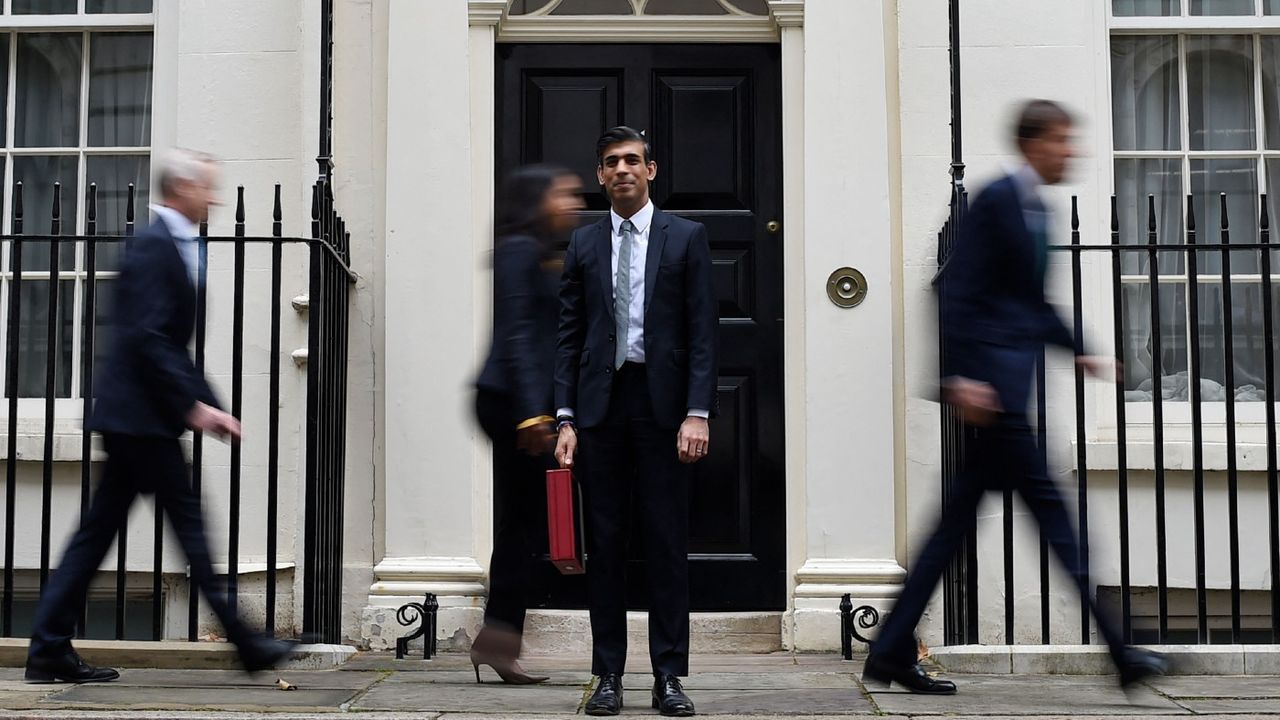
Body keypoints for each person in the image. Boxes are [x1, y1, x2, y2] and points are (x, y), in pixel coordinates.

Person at [862, 100, 1168, 695]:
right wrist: (962, 376)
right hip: (993, 400)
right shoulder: (999, 199)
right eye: (1061, 141)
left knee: (954, 532)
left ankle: (891, 648)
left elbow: (1028, 303)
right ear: (1034, 144)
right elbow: (956, 287)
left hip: (1005, 398)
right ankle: (1121, 652)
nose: (1070, 152)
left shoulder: (1034, 209)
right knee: (1057, 527)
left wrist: (1080, 347)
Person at [25, 149, 295, 684]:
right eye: (207, 189)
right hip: (141, 419)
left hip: (141, 417)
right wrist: (192, 404)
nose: (214, 199)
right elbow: (147, 336)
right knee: (190, 531)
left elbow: (168, 342)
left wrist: (203, 401)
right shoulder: (155, 246)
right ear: (181, 189)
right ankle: (248, 646)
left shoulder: (170, 244)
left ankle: (48, 648)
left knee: (97, 536)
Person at [554, 126, 717, 718]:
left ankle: (669, 676)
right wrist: (565, 416)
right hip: (600, 411)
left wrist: (697, 412)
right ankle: (608, 675)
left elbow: (703, 333)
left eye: (631, 160)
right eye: (609, 162)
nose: (621, 169)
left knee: (668, 545)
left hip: (665, 410)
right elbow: (568, 337)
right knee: (607, 546)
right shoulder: (585, 244)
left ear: (651, 170)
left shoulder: (687, 238)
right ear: (599, 176)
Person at [472, 164, 584, 684]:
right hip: (513, 404)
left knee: (520, 527)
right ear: (536, 199)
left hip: (520, 402)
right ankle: (497, 641)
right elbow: (518, 334)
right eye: (562, 194)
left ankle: (497, 640)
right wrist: (534, 414)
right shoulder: (519, 250)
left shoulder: (536, 251)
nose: (573, 202)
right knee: (520, 527)